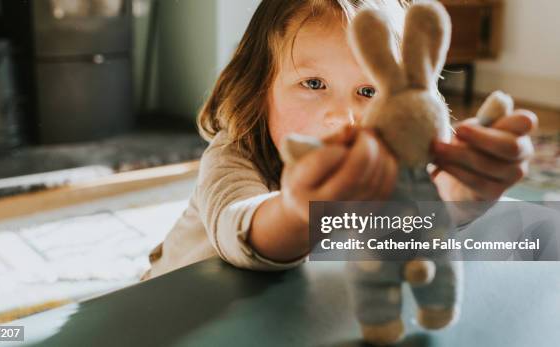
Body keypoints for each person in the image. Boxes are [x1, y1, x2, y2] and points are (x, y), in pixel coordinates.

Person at [141, 0, 537, 280]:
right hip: (170, 308)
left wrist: (457, 192)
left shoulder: (395, 159)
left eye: (368, 92)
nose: (343, 117)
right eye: (313, 84)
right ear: (260, 88)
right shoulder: (235, 154)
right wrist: (300, 211)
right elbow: (238, 228)